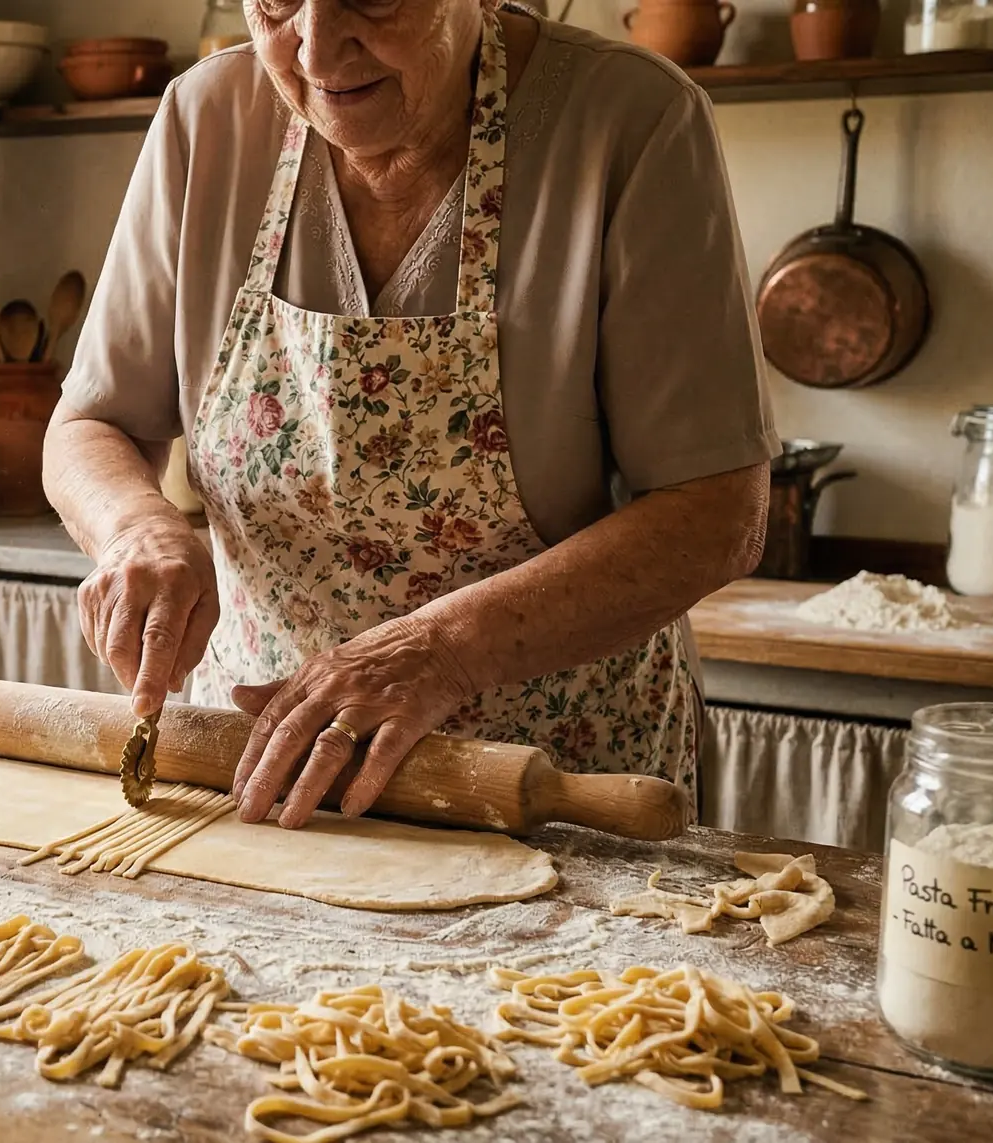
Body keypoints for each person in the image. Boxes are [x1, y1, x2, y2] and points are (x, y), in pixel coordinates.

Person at [45, 0, 775, 831]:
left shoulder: (630, 119)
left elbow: (719, 511)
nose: (317, 49)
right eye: (276, 2)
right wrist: (135, 525)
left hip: (545, 786)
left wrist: (437, 652)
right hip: (272, 776)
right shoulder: (205, 118)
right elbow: (89, 424)